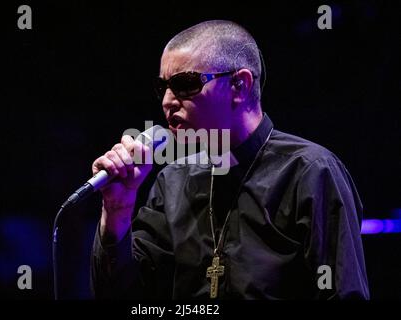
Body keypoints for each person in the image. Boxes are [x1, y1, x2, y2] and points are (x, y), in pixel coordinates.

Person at [90, 20, 369, 299]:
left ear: (239, 85)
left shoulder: (310, 172)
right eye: (162, 87)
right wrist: (117, 207)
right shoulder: (173, 181)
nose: (167, 100)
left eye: (184, 84)